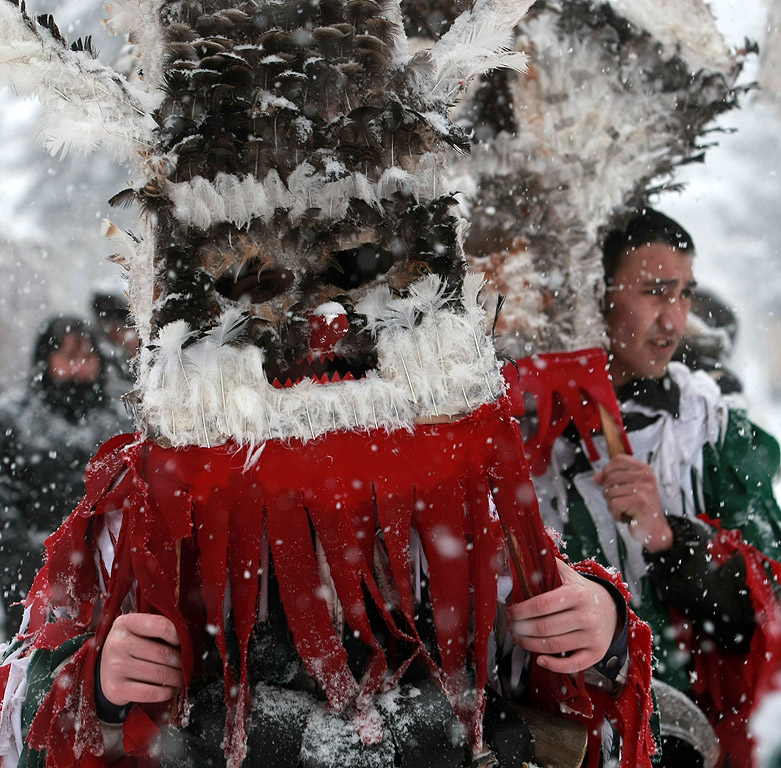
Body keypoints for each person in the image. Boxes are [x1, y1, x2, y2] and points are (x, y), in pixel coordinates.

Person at [535, 208, 781, 767]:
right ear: (595, 295)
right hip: (559, 734)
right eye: (654, 292)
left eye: (684, 295)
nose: (674, 319)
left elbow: (770, 593)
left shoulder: (709, 432)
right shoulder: (531, 434)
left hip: (683, 733)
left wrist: (671, 539)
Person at [0, 316, 131, 636]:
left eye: (88, 355)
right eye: (69, 355)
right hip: (31, 575)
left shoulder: (122, 414)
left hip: (107, 576)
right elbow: (5, 503)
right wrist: (34, 559)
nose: (80, 366)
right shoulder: (14, 417)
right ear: (46, 359)